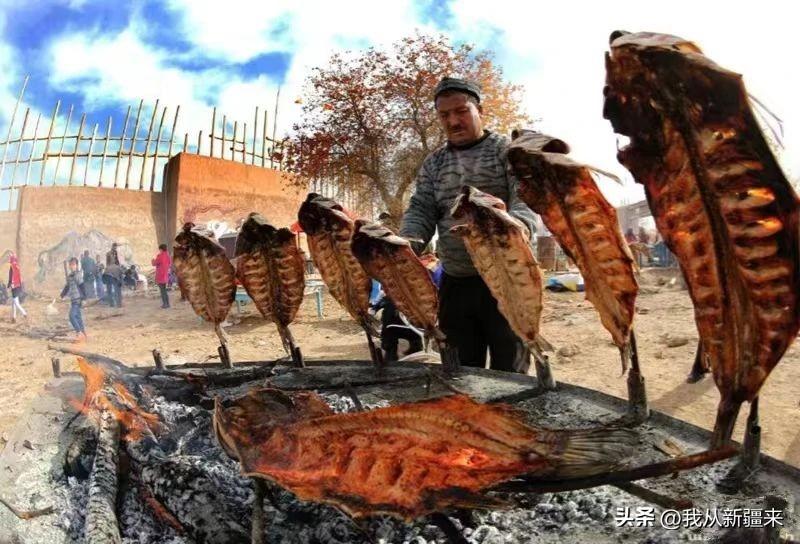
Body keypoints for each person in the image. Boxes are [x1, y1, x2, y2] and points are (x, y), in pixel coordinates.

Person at [400, 77, 537, 373]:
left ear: (480, 110)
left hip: (507, 279)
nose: (453, 120)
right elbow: (421, 209)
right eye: (444, 115)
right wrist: (406, 244)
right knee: (461, 371)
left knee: (510, 374)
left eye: (461, 111)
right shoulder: (434, 164)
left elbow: (527, 202)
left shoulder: (507, 152)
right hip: (456, 283)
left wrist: (515, 225)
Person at [60, 257, 86, 342]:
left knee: (71, 316)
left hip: (78, 299)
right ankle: (83, 334)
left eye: (73, 264)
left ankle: (79, 333)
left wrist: (84, 298)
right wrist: (62, 295)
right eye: (70, 265)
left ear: (77, 265)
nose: (72, 266)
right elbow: (67, 287)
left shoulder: (78, 275)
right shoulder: (70, 276)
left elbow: (82, 286)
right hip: (73, 299)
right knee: (78, 317)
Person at [7, 252, 27, 323]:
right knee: (14, 302)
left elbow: (12, 277)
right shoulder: (16, 266)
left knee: (16, 302)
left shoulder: (13, 267)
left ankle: (24, 313)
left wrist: (10, 285)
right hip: (17, 285)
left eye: (10, 257)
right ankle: (14, 317)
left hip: (14, 286)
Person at [152, 244, 172, 309]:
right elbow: (169, 264)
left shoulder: (160, 256)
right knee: (165, 290)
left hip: (160, 275)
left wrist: (153, 259)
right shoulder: (168, 256)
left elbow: (154, 263)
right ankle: (167, 304)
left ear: (161, 249)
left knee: (162, 291)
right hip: (165, 275)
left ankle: (165, 304)